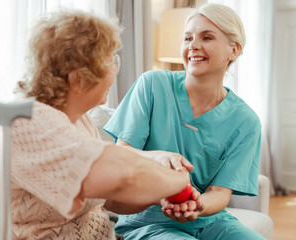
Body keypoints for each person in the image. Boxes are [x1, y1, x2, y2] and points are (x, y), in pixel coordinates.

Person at [0, 11, 192, 240]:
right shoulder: (27, 120)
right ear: (78, 77)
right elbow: (125, 176)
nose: (114, 71)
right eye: (110, 61)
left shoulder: (78, 118)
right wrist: (180, 182)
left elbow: (110, 199)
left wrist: (158, 197)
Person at [104, 3, 265, 240]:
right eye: (188, 38)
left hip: (211, 223)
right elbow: (122, 154)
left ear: (234, 50)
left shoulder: (246, 121)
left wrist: (197, 206)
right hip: (147, 222)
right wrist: (158, 157)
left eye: (207, 37)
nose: (193, 46)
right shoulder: (152, 86)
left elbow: (219, 192)